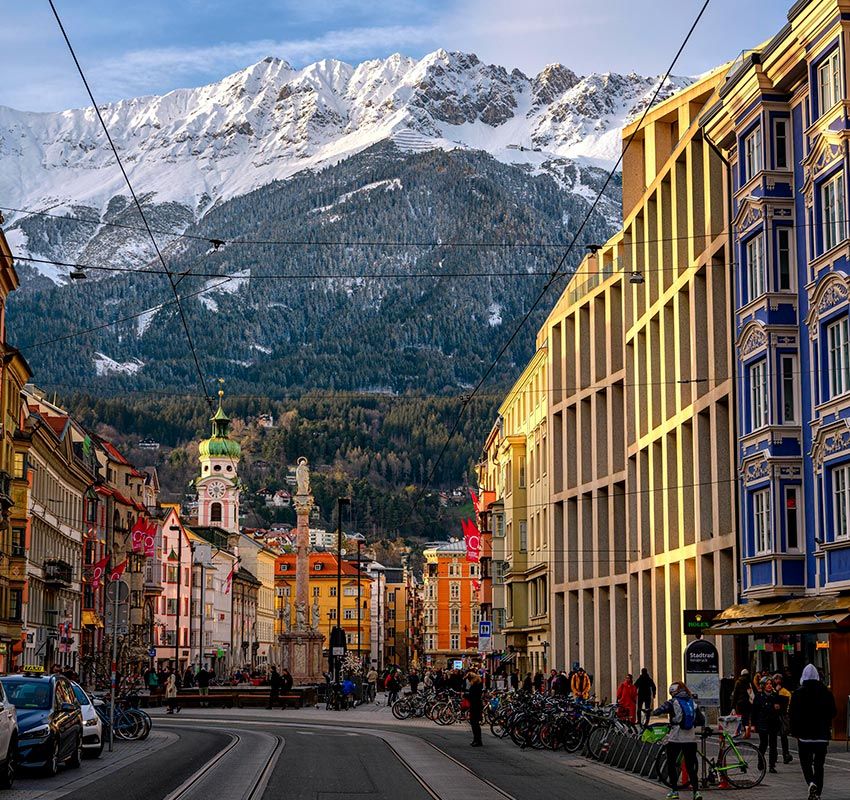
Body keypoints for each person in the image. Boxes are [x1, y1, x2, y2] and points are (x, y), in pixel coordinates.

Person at [790, 664, 837, 800]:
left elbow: (792, 714)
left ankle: (811, 782)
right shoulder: (826, 692)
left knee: (805, 762)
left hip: (804, 735)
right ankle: (818, 791)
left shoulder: (798, 693)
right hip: (822, 735)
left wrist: (795, 731)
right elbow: (833, 712)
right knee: (819, 764)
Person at [652, 682, 703, 800]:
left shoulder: (673, 702)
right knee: (691, 766)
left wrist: (653, 712)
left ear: (673, 692)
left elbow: (660, 710)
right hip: (690, 739)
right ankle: (696, 792)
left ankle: (674, 791)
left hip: (676, 738)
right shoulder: (692, 703)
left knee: (671, 764)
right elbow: (701, 720)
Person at [751, 676, 781, 773]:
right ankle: (760, 761)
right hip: (762, 723)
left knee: (773, 745)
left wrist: (778, 708)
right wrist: (753, 724)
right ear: (763, 685)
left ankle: (772, 765)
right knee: (763, 743)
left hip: (773, 722)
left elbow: (780, 709)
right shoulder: (759, 696)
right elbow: (754, 711)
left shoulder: (775, 696)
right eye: (767, 684)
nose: (769, 686)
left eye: (770, 684)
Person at [772, 673, 793, 764]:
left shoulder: (785, 692)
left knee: (782, 736)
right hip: (778, 716)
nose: (777, 681)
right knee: (777, 737)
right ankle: (779, 755)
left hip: (781, 716)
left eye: (778, 679)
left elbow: (787, 704)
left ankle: (785, 755)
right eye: (776, 679)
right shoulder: (774, 691)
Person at [731, 669, 753, 739]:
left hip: (740, 702)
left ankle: (737, 731)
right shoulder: (749, 682)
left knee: (739, 717)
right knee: (746, 717)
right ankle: (747, 729)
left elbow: (735, 694)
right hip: (748, 702)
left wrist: (733, 705)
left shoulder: (738, 682)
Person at [466, 671, 484, 747]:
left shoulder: (475, 686)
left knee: (474, 724)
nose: (469, 681)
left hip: (475, 706)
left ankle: (477, 740)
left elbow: (473, 697)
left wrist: (465, 696)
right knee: (475, 724)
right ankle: (476, 740)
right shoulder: (478, 684)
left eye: (469, 680)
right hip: (477, 706)